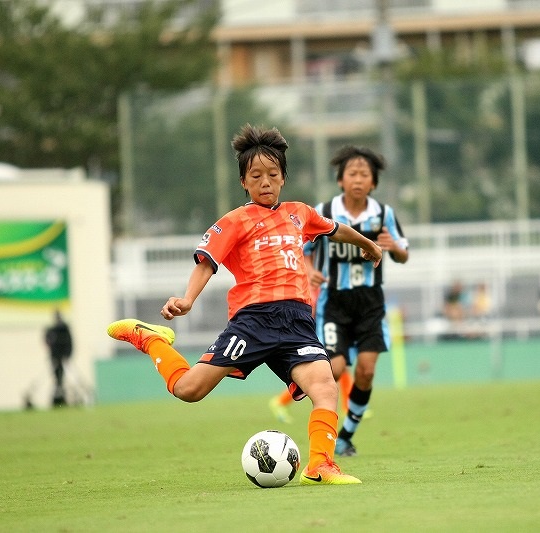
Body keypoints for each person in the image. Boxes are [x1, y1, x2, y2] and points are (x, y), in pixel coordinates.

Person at [107, 124, 382, 485]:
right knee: (189, 390)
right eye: (256, 176)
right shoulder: (235, 221)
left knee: (326, 386)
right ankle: (149, 338)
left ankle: (320, 465)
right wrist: (187, 300)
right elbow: (206, 262)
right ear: (244, 182)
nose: (265, 182)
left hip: (297, 321)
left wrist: (369, 245)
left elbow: (336, 228)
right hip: (253, 320)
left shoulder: (300, 213)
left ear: (283, 177)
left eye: (272, 174)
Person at [299, 144, 409, 457]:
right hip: (334, 303)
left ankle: (346, 435)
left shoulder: (384, 214)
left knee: (366, 371)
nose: (358, 179)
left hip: (371, 304)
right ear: (340, 180)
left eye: (364, 174)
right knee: (332, 369)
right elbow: (302, 249)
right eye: (352, 173)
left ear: (373, 183)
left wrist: (395, 249)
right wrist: (308, 271)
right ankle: (313, 403)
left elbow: (403, 254)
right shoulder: (326, 212)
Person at [45, 309, 73, 406]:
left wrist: (67, 355)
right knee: (57, 377)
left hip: (62, 357)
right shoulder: (52, 330)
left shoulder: (64, 329)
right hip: (55, 358)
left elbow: (69, 343)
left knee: (61, 377)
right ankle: (59, 395)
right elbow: (47, 341)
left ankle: (61, 395)